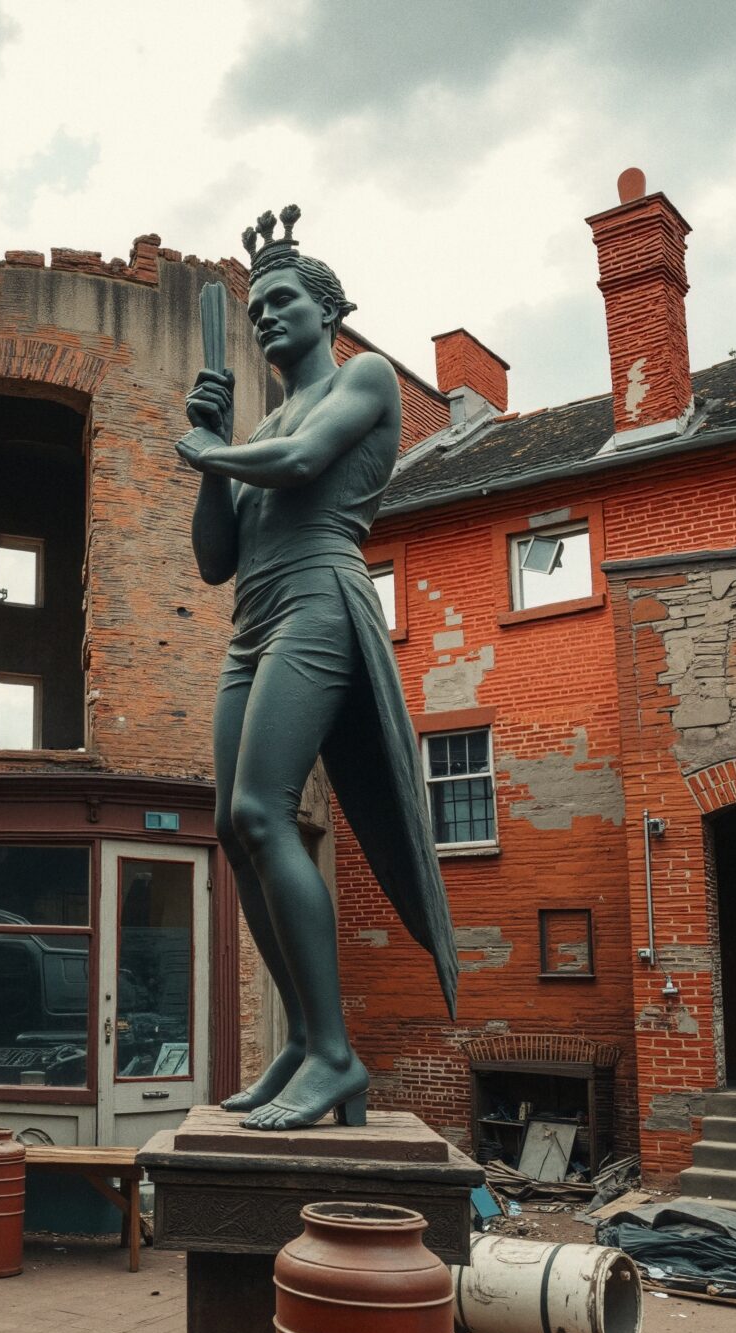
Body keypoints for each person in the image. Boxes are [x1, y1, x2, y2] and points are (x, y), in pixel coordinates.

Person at [177, 207, 461, 1131]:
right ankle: (303, 1038)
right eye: (254, 305)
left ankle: (336, 1052)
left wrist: (223, 450)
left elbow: (300, 463)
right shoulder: (261, 419)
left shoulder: (365, 377)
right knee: (233, 825)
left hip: (318, 603)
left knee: (267, 809)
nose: (264, 316)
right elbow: (215, 560)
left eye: (283, 299)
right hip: (252, 618)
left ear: (327, 311)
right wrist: (213, 461)